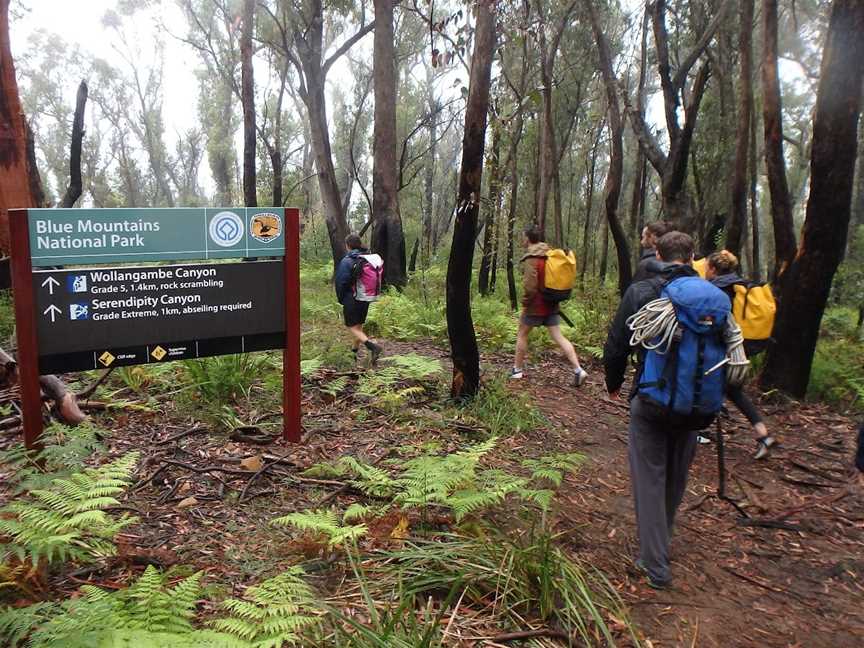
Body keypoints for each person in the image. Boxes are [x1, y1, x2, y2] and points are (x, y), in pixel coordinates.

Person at [603, 231, 707, 589]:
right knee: (676, 476)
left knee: (650, 478)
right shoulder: (714, 298)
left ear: (658, 254)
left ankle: (655, 564)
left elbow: (617, 343)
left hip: (649, 400)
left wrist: (614, 382)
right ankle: (661, 539)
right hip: (696, 405)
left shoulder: (642, 291)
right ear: (693, 256)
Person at [705, 250, 776, 459]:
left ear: (713, 269)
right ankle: (763, 434)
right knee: (733, 391)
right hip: (744, 346)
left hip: (724, 347)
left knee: (706, 380)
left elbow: (715, 322)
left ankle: (697, 429)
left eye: (708, 267)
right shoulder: (742, 285)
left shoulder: (718, 289)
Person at [510, 226, 588, 386]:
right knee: (558, 336)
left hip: (535, 305)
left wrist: (525, 304)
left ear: (527, 239)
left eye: (523, 237)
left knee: (522, 334)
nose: (522, 240)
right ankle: (578, 370)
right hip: (552, 303)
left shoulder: (532, 257)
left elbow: (530, 286)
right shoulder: (550, 254)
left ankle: (517, 371)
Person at [334, 234, 384, 364]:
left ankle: (373, 347)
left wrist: (341, 298)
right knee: (358, 327)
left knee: (351, 327)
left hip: (352, 298)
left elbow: (341, 282)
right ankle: (353, 354)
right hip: (365, 297)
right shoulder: (367, 258)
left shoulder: (348, 260)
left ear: (348, 245)